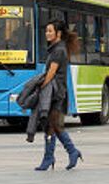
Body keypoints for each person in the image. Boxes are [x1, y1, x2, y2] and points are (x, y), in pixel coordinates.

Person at [35, 20, 83, 171]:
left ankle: (55, 156)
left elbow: (51, 73)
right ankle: (63, 154)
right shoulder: (56, 48)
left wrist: (40, 86)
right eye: (47, 31)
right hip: (56, 93)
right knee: (52, 125)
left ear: (59, 33)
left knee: (53, 125)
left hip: (56, 94)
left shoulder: (58, 50)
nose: (47, 33)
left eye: (50, 31)